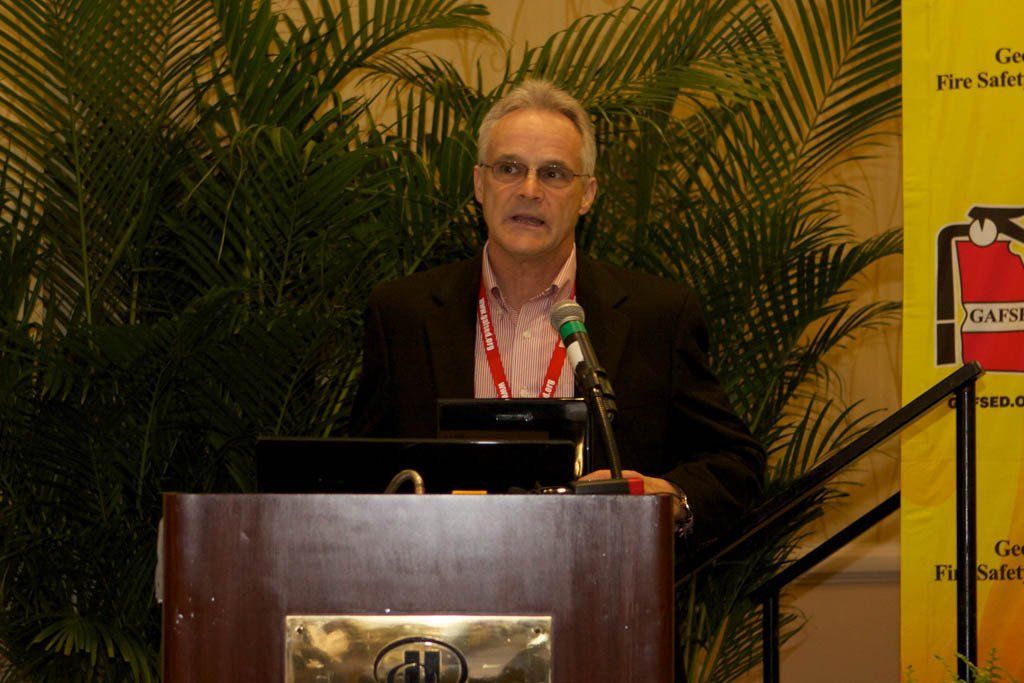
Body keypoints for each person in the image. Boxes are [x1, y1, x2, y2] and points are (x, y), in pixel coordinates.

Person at [352, 80, 764, 546]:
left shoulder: (658, 316)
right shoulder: (402, 314)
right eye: (509, 168)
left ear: (587, 194)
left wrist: (671, 500)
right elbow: (361, 470)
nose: (529, 190)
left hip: (602, 578)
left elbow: (735, 463)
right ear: (480, 184)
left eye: (553, 173)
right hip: (441, 573)